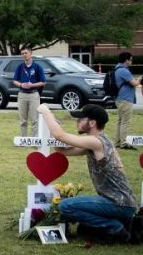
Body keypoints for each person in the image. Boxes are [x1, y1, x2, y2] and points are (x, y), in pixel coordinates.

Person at [39, 103, 138, 243]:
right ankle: (118, 225)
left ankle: (115, 228)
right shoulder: (96, 142)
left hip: (119, 204)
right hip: (120, 203)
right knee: (71, 210)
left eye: (81, 119)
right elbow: (62, 151)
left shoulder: (96, 142)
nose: (77, 121)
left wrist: (46, 112)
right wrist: (52, 125)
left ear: (92, 123)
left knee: (65, 206)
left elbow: (60, 135)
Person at [13, 47, 46, 137]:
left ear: (31, 54)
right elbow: (15, 81)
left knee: (34, 119)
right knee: (23, 120)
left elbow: (43, 82)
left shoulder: (37, 67)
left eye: (26, 53)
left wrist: (33, 85)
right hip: (22, 95)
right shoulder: (20, 67)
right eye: (22, 53)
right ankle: (24, 139)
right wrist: (21, 85)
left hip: (33, 95)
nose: (24, 55)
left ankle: (34, 140)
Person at [113, 52, 140, 150]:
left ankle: (118, 142)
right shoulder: (124, 71)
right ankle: (124, 144)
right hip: (125, 99)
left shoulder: (118, 68)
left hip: (120, 99)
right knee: (125, 122)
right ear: (126, 60)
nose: (132, 61)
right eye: (131, 59)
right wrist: (140, 79)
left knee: (120, 122)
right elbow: (134, 83)